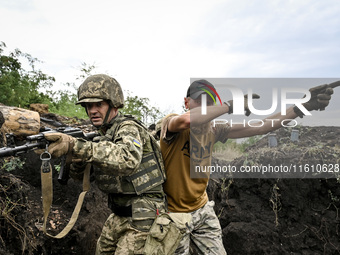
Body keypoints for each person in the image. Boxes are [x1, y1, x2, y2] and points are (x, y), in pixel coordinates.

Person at [159, 79, 335, 254]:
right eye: (199, 100)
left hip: (202, 209)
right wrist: (229, 106)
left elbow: (263, 126)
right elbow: (186, 121)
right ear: (186, 102)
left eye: (209, 101)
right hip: (174, 214)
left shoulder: (214, 130)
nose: (204, 105)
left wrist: (301, 107)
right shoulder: (172, 123)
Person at [41, 74, 167, 254]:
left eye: (98, 104)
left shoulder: (128, 127)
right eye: (88, 106)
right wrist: (75, 157)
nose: (92, 110)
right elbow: (79, 178)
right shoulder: (102, 136)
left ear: (113, 104)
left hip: (145, 214)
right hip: (119, 213)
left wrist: (78, 146)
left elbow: (127, 160)